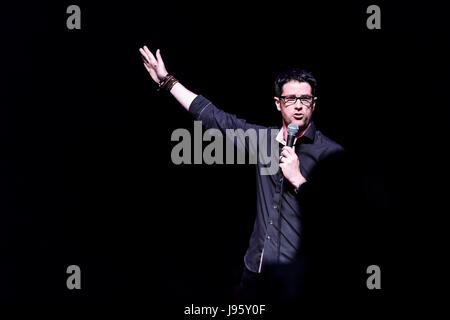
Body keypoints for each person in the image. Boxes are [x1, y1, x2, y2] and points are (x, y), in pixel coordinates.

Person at [139, 45, 345, 302]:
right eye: (290, 99)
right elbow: (214, 117)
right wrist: (167, 80)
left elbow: (342, 221)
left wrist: (300, 180)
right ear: (278, 103)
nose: (298, 106)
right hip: (256, 271)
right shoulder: (263, 141)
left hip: (297, 281)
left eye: (305, 99)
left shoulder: (332, 154)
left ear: (314, 103)